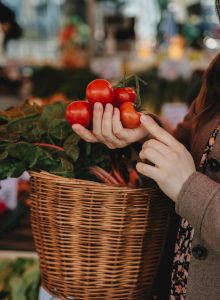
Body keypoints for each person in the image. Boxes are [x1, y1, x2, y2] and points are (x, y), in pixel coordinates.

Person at [72, 1, 220, 298]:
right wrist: (143, 134)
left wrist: (188, 188)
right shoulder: (218, 71)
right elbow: (191, 148)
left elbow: (188, 179)